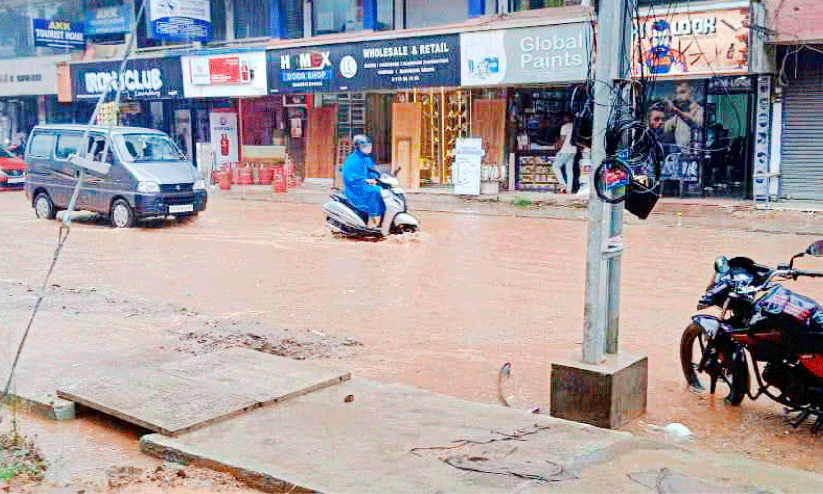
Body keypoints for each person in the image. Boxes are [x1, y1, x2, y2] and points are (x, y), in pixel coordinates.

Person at [342, 134, 385, 229]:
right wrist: (366, 180)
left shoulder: (366, 159)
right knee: (376, 192)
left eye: (369, 146)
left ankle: (382, 219)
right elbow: (350, 177)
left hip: (364, 185)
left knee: (384, 191)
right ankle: (375, 221)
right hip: (355, 188)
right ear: (358, 147)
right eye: (365, 146)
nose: (368, 148)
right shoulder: (353, 159)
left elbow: (373, 171)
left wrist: (377, 178)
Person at [664, 82, 704, 151]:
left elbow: (694, 122)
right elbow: (665, 128)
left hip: (697, 153)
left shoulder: (700, 110)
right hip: (681, 154)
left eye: (683, 92)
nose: (679, 97)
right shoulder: (678, 115)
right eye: (677, 93)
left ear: (692, 91)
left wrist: (676, 110)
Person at [552, 112, 576, 193]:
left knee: (555, 167)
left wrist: (557, 145)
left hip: (566, 150)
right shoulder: (575, 127)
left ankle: (563, 185)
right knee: (569, 170)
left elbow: (562, 141)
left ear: (567, 118)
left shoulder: (564, 127)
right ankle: (569, 189)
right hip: (573, 150)